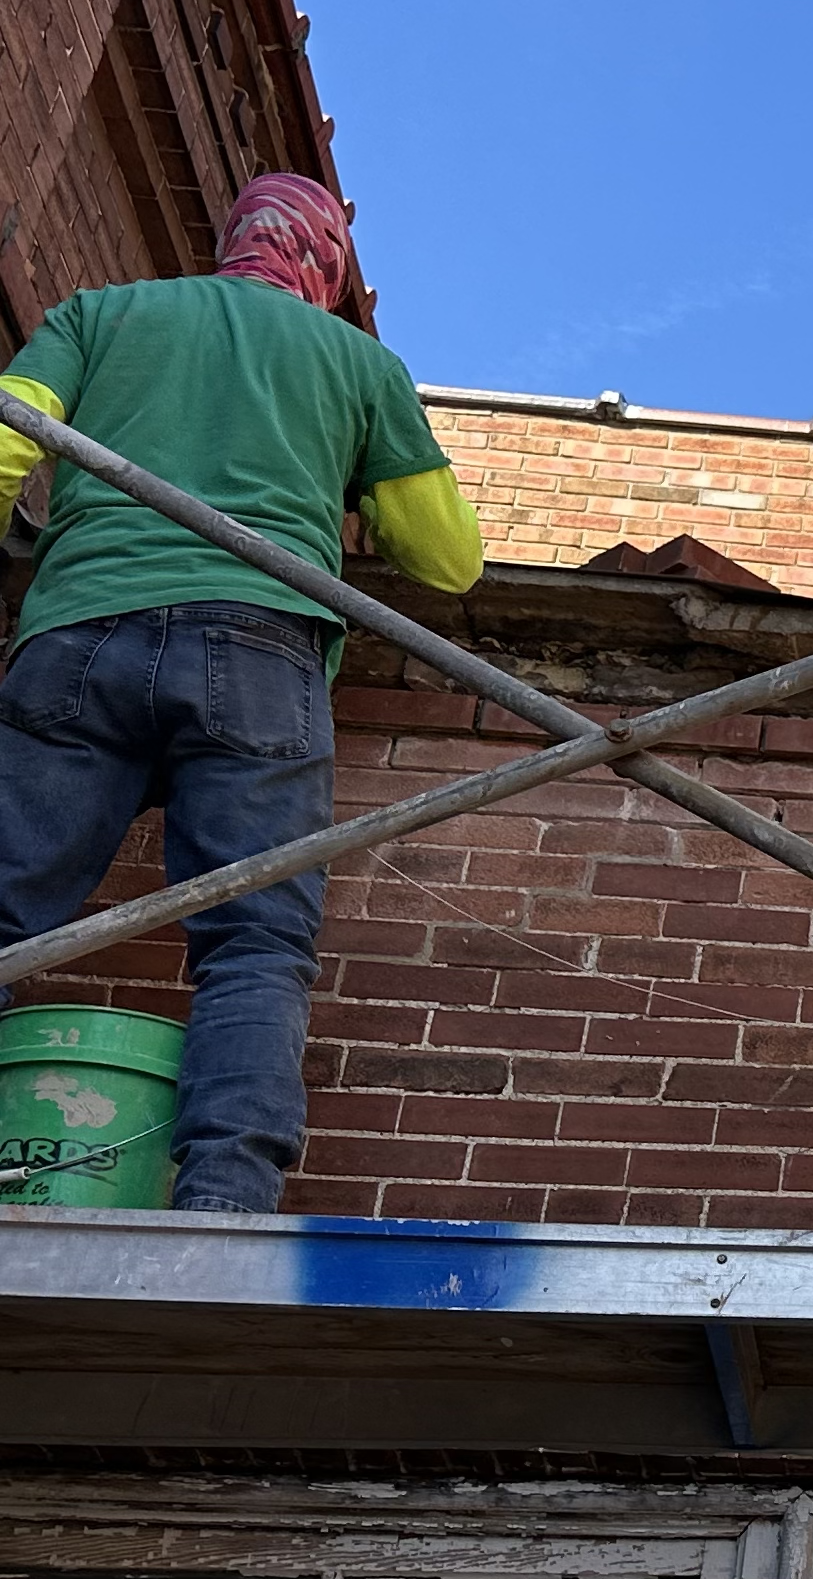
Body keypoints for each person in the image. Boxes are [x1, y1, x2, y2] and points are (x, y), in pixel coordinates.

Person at [0, 172, 483, 1214]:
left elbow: (5, 436)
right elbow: (447, 559)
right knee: (256, 938)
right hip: (262, 654)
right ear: (322, 265)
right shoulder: (358, 362)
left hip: (78, 630)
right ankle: (225, 1191)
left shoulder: (102, 313)